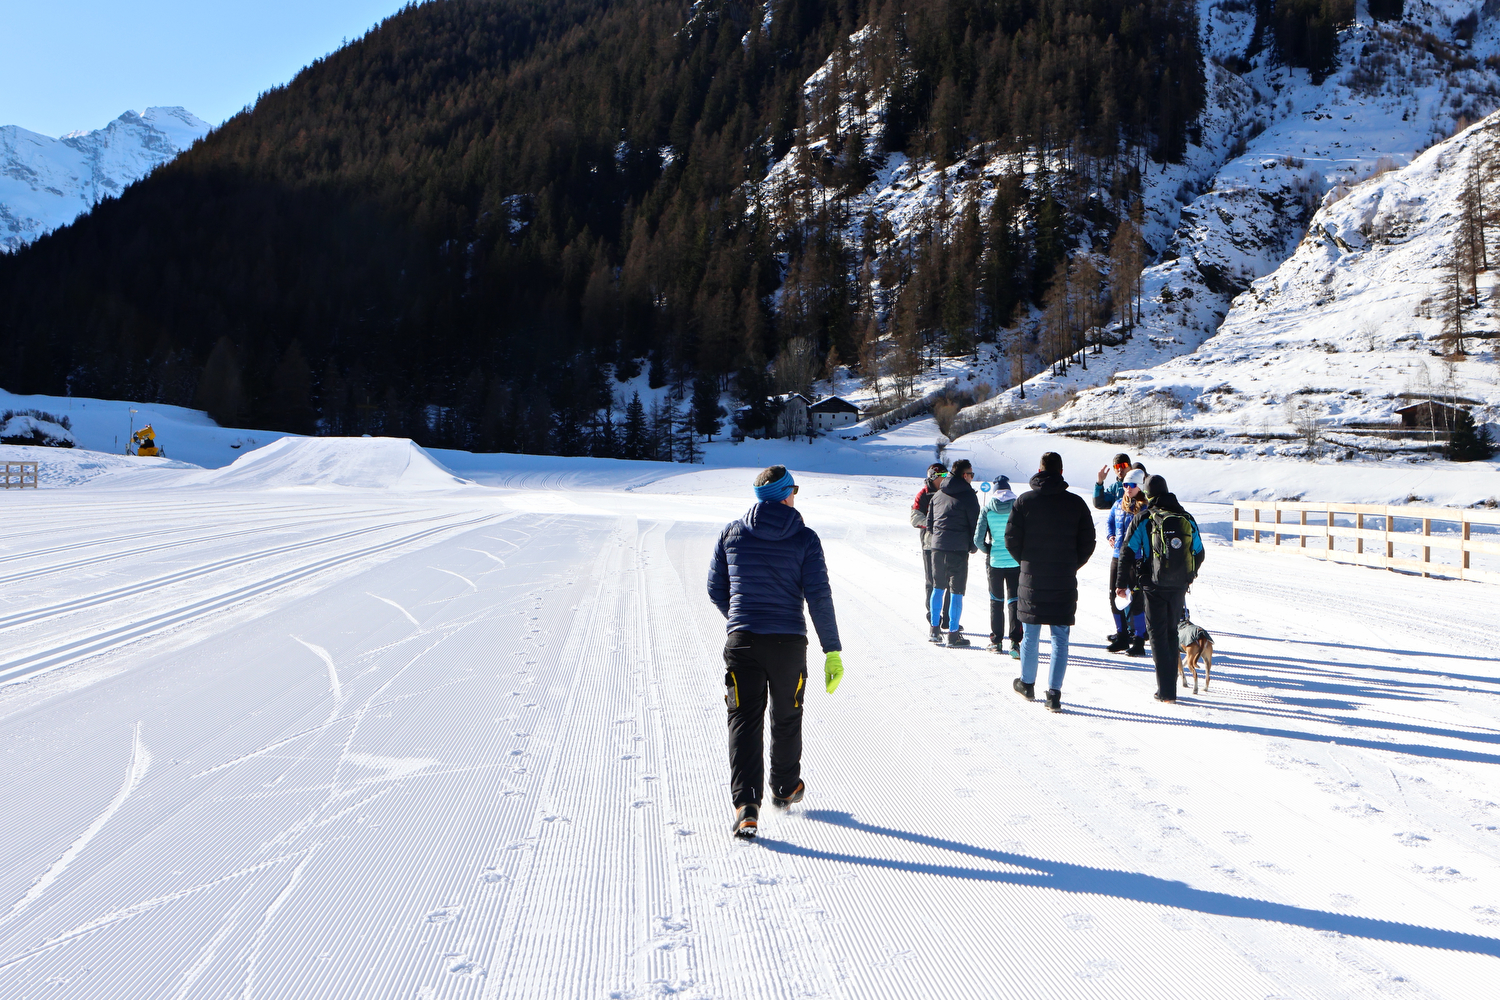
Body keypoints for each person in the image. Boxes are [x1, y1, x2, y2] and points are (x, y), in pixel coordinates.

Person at [708, 466, 843, 838]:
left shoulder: (732, 533)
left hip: (744, 643)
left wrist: (740, 618)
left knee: (744, 720)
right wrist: (831, 649)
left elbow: (715, 588)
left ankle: (746, 806)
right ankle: (784, 788)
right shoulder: (804, 537)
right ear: (786, 495)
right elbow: (818, 597)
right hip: (787, 644)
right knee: (786, 716)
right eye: (793, 490)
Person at [1004, 452, 1096, 712]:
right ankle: (1053, 695)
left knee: (1031, 634)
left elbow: (1011, 538)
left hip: (1031, 576)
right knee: (1060, 638)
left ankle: (1027, 683)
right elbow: (1087, 543)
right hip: (1063, 578)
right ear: (1061, 471)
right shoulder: (1076, 503)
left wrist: (1026, 562)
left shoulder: (1024, 501)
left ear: (1040, 470)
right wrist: (1070, 565)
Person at [1116, 473, 1206, 704]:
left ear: (1147, 494)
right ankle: (1169, 689)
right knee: (1171, 633)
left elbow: (1126, 551)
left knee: (1156, 635)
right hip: (1178, 587)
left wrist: (1121, 584)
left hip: (1153, 585)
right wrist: (1188, 576)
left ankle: (1166, 690)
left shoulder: (1145, 517)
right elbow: (1199, 551)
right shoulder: (1185, 516)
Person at [926, 458, 981, 647]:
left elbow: (930, 523)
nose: (972, 478)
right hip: (958, 549)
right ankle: (953, 634)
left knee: (938, 587)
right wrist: (973, 546)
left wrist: (938, 539)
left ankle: (934, 630)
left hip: (938, 547)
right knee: (956, 590)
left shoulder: (938, 494)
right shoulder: (968, 496)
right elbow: (975, 524)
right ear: (964, 475)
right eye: (971, 474)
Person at [973, 474, 1022, 657]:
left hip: (995, 562)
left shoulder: (987, 509)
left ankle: (996, 641)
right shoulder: (1017, 508)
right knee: (1015, 601)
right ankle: (1015, 643)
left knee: (996, 600)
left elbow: (978, 539)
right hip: (1015, 561)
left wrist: (989, 549)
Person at [1105, 468, 1149, 656]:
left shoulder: (1146, 508)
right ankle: (1121, 635)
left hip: (1136, 558)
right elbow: (1110, 522)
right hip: (1118, 556)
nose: (1128, 489)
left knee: (1137, 599)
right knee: (1115, 596)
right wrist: (1110, 535)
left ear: (1140, 486)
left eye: (1131, 485)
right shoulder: (1117, 504)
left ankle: (1139, 639)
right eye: (1125, 485)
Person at [1095, 452, 1132, 644]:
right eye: (1116, 467)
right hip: (1119, 550)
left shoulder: (1138, 482)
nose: (1120, 470)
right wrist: (1099, 484)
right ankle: (1124, 631)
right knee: (1118, 591)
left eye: (1123, 465)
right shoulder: (1116, 488)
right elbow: (1101, 503)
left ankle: (1139, 632)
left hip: (1137, 550)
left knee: (1134, 591)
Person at [910, 463, 950, 630]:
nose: (945, 479)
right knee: (932, 581)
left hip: (948, 543)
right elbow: (914, 518)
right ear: (934, 476)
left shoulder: (947, 491)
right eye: (942, 476)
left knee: (949, 582)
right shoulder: (923, 494)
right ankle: (933, 617)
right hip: (929, 544)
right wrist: (934, 523)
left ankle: (948, 619)